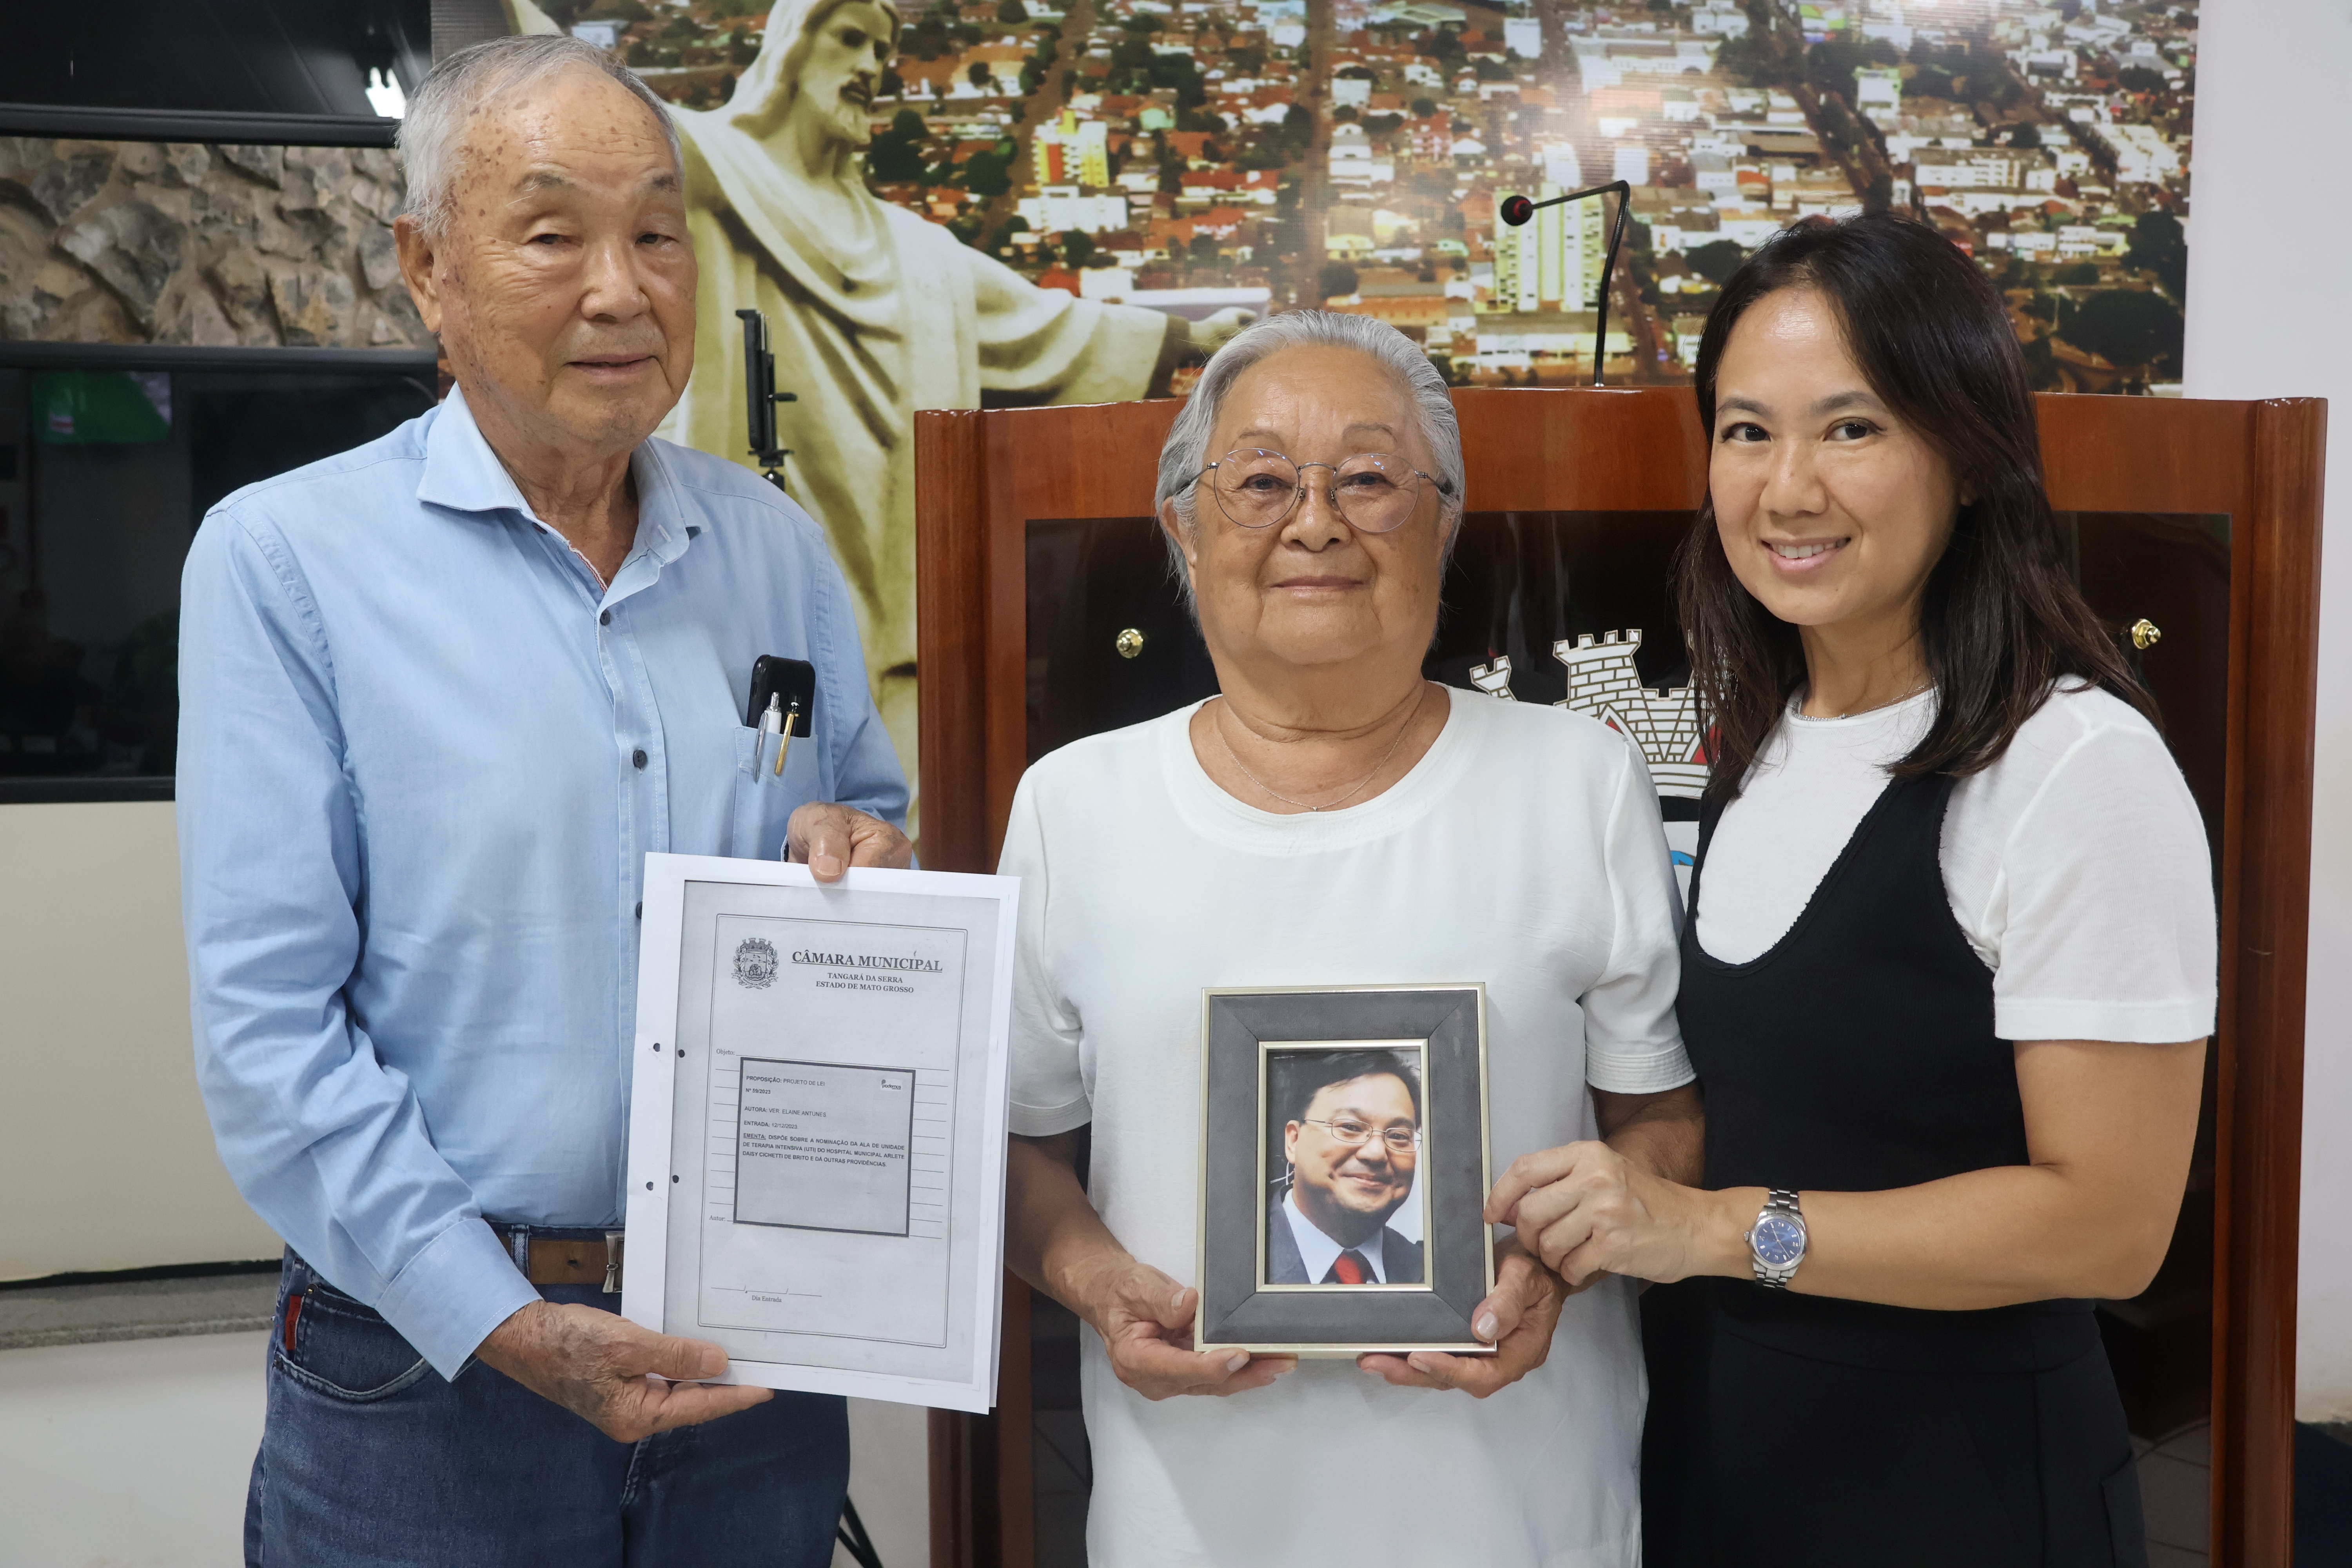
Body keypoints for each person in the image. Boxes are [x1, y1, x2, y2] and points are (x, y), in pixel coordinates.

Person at [176, 36, 910, 1566]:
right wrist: (497, 1314)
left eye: (657, 231)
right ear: (427, 268)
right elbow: (269, 1032)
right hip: (425, 1368)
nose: (622, 286)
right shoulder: (288, 564)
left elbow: (848, 809)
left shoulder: (771, 553)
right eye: (553, 230)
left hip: (744, 1344)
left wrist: (863, 852)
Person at [1486, 214, 2213, 1567]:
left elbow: (2110, 1224)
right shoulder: (1766, 738)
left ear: (1970, 452)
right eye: (1748, 431)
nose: (1787, 488)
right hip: (1728, 1457)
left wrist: (1707, 1229)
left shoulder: (2073, 766)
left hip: (1960, 1487)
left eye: (1854, 429)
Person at [998, 310, 1703, 1567]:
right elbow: (1018, 1153)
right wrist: (1103, 1285)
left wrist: (1562, 1262)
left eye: (1369, 480)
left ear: (1441, 526)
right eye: (1261, 480)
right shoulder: (1073, 804)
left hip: (1517, 1505)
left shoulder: (1576, 779)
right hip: (1191, 1517)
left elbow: (1660, 1121)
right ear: (1184, 525)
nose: (1313, 522)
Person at [662, 0, 1253, 804]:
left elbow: (1041, 327)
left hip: (900, 575)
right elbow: (567, 91)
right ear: (791, 51)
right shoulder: (707, 169)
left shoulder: (916, 251)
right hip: (768, 549)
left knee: (903, 808)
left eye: (882, 49)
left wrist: (1189, 338)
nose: (870, 67)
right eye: (850, 39)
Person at [1266, 1051, 1425, 1286]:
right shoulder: (1235, 1261)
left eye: (1399, 1136)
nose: (1376, 1153)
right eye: (1350, 1127)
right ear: (1294, 1141)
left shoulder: (1433, 1273)